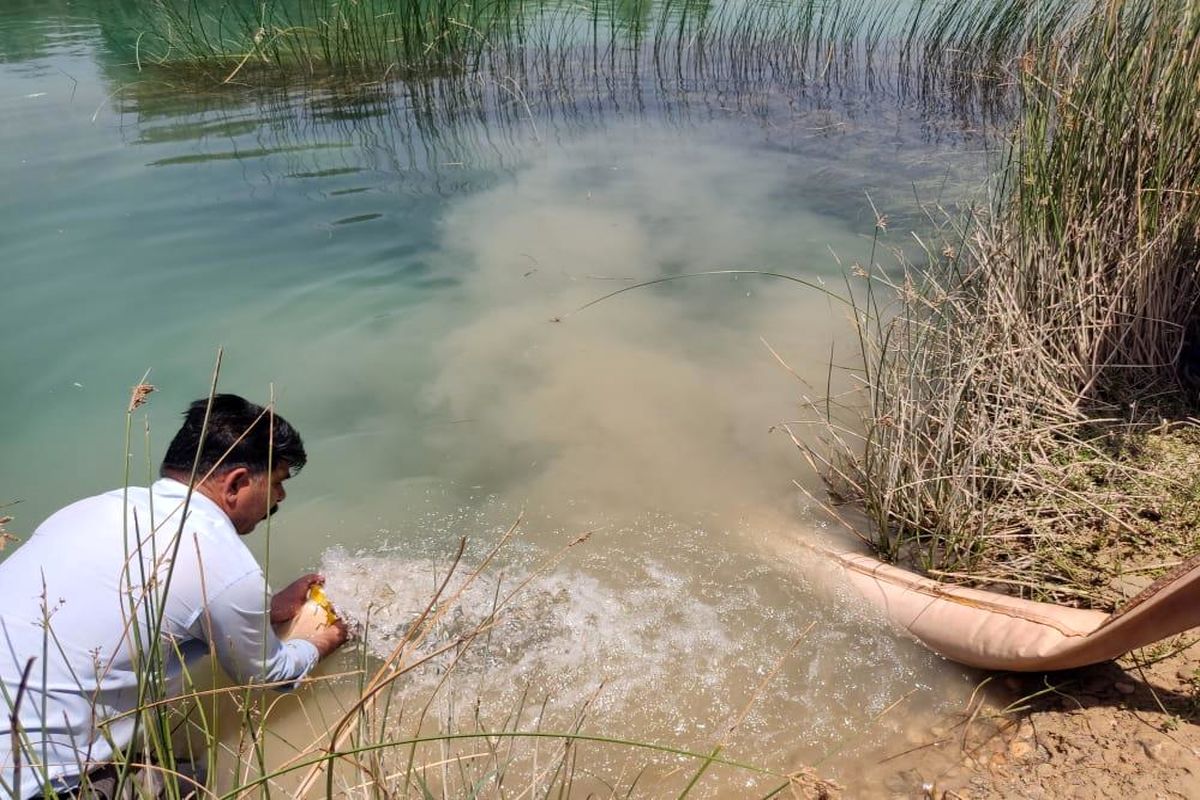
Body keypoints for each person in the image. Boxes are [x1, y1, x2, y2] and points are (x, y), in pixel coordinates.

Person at [0, 394, 349, 799]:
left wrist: (264, 611)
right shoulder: (222, 562)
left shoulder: (93, 509)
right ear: (237, 482)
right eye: (276, 483)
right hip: (29, 784)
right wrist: (325, 639)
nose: (280, 498)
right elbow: (270, 675)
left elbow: (140, 612)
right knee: (188, 782)